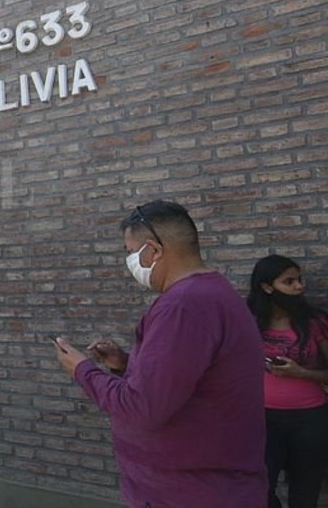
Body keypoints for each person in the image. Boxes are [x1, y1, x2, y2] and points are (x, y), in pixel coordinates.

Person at [52, 200, 266, 507]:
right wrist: (125, 365)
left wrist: (82, 370)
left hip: (190, 492)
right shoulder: (208, 294)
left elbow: (144, 408)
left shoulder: (184, 306)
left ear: (153, 250)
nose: (129, 261)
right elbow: (185, 382)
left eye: (130, 251)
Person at [248, 255, 328, 508]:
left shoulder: (314, 322)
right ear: (267, 287)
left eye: (299, 280)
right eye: (288, 282)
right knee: (259, 490)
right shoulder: (249, 323)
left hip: (310, 419)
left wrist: (302, 373)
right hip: (263, 419)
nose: (299, 287)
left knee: (305, 496)